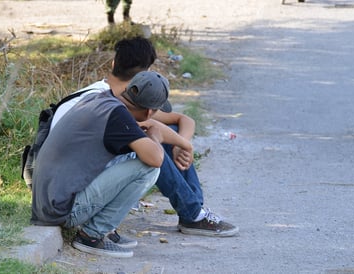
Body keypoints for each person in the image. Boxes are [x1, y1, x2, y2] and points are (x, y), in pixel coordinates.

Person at [51, 37, 239, 242]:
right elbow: (153, 152)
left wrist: (180, 143)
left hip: (60, 179)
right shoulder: (109, 104)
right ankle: (193, 213)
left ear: (113, 64)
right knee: (150, 149)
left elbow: (183, 120)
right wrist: (172, 141)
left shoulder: (113, 95)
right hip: (73, 188)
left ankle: (194, 210)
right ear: (145, 74)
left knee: (166, 132)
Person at [31, 70, 191, 258]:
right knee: (148, 168)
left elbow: (151, 127)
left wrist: (185, 145)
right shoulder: (118, 117)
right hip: (61, 209)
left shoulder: (103, 100)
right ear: (149, 112)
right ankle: (92, 235)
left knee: (132, 153)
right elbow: (156, 158)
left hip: (48, 202)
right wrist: (156, 138)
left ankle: (102, 229)